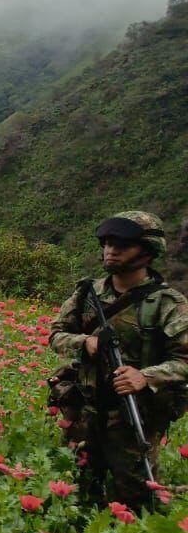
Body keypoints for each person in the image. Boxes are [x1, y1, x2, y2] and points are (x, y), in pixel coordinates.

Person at [48, 211, 188, 509]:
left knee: (139, 499)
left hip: (132, 416)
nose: (111, 250)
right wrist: (84, 342)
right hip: (85, 410)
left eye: (122, 244)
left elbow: (184, 360)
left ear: (147, 252)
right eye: (108, 243)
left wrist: (146, 376)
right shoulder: (87, 292)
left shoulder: (168, 304)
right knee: (74, 494)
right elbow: (56, 335)